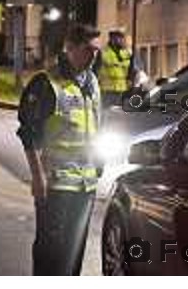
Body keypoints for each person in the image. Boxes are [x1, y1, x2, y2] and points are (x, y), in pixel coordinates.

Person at [17, 23, 101, 275]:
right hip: (56, 185)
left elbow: (95, 126)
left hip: (86, 185)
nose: (94, 56)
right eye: (88, 50)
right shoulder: (46, 83)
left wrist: (98, 164)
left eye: (97, 51)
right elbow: (28, 132)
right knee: (51, 252)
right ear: (70, 48)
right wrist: (37, 177)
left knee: (74, 253)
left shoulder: (92, 82)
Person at [95, 28, 134, 107]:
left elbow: (131, 71)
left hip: (122, 91)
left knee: (120, 116)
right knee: (107, 115)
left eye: (122, 38)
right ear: (112, 38)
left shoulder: (127, 53)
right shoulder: (103, 52)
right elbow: (95, 70)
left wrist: (130, 82)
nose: (121, 40)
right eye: (118, 38)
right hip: (107, 91)